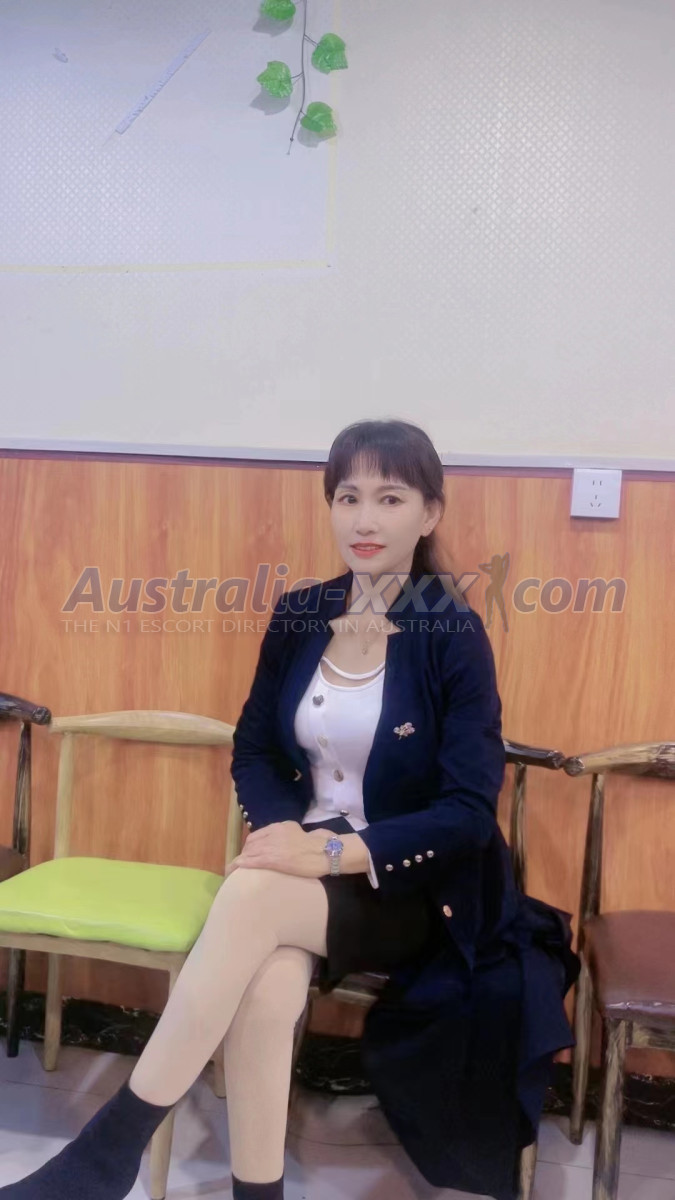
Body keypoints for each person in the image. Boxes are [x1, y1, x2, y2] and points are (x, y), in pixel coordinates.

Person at [0, 418, 580, 1200]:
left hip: (414, 888)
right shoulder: (302, 613)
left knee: (251, 895)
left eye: (389, 498)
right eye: (347, 497)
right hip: (301, 869)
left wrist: (333, 851)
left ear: (429, 514)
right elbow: (253, 750)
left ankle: (104, 1156)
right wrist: (282, 829)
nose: (365, 519)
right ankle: (254, 1192)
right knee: (269, 982)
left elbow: (468, 811)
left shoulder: (452, 633)